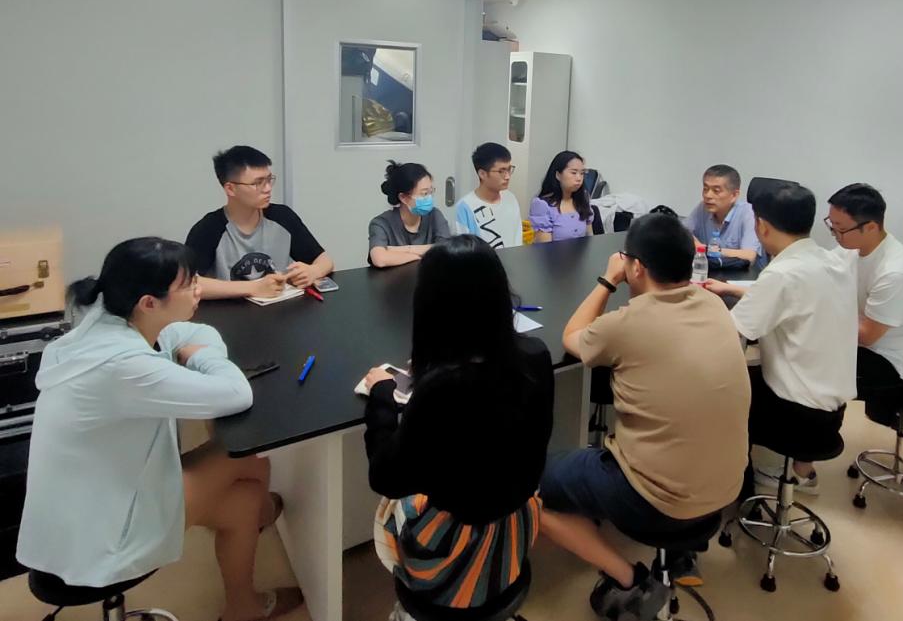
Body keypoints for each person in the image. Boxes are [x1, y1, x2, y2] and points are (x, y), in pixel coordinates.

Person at [17, 238, 301, 621]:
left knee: (244, 503)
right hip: (101, 538)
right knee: (248, 456)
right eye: (188, 284)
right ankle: (264, 517)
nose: (199, 288)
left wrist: (192, 346)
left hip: (78, 513)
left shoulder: (103, 321)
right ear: (149, 303)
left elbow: (185, 333)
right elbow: (236, 393)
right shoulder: (123, 367)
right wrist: (203, 356)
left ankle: (244, 602)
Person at [539, 214, 750, 621]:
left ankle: (629, 579)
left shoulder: (627, 324)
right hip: (725, 490)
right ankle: (680, 554)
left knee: (529, 484)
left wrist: (607, 280)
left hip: (657, 503)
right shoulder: (713, 304)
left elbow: (571, 337)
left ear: (635, 267)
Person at [360, 236, 553, 617]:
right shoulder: (536, 356)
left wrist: (382, 394)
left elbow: (386, 477)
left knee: (393, 504)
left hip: (451, 547)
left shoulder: (443, 389)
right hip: (519, 524)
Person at [706, 184, 857, 495]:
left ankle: (736, 487)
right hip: (831, 404)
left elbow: (729, 334)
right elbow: (792, 296)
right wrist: (733, 289)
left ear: (762, 225)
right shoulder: (829, 261)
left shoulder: (782, 274)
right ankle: (801, 472)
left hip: (797, 413)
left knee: (717, 392)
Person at [827, 183, 903, 413]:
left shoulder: (895, 271)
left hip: (899, 368)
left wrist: (820, 316)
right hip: (869, 350)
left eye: (841, 229)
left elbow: (867, 336)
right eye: (831, 226)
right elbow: (821, 273)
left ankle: (821, 432)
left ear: (870, 227)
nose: (835, 235)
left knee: (813, 367)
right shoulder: (851, 247)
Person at [185, 145, 334, 300]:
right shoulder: (209, 228)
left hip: (280, 309)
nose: (268, 188)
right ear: (230, 189)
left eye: (269, 180)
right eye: (258, 183)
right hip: (232, 311)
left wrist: (313, 271)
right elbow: (188, 284)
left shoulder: (282, 217)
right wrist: (254, 288)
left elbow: (325, 260)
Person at [368, 160, 451, 267]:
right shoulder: (381, 223)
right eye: (424, 193)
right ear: (403, 198)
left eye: (431, 192)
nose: (429, 198)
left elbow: (447, 249)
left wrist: (403, 250)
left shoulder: (434, 215)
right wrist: (419, 256)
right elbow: (380, 259)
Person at [683, 164, 761, 264]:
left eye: (716, 191)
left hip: (742, 273)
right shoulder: (703, 208)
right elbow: (681, 232)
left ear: (734, 195)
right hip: (711, 269)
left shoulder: (748, 213)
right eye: (705, 189)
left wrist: (706, 249)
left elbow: (749, 256)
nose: (708, 195)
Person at [454, 142, 523, 249]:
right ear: (482, 174)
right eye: (501, 171)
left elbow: (517, 238)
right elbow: (461, 250)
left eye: (509, 169)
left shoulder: (510, 198)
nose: (507, 176)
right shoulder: (465, 207)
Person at [529, 150, 594, 243]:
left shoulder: (583, 198)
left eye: (582, 173)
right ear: (558, 175)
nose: (579, 178)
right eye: (574, 173)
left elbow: (590, 238)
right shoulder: (542, 205)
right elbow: (544, 248)